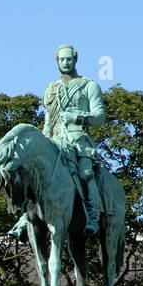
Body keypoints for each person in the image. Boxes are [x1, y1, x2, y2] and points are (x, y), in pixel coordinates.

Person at [42, 44, 106, 232]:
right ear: (57, 61)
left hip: (79, 140)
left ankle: (93, 217)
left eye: (69, 59)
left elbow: (100, 117)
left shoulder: (89, 85)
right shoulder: (50, 89)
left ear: (75, 60)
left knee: (86, 174)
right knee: (35, 171)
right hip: (55, 140)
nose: (65, 62)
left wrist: (77, 117)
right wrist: (44, 140)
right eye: (62, 59)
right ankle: (25, 218)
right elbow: (48, 122)